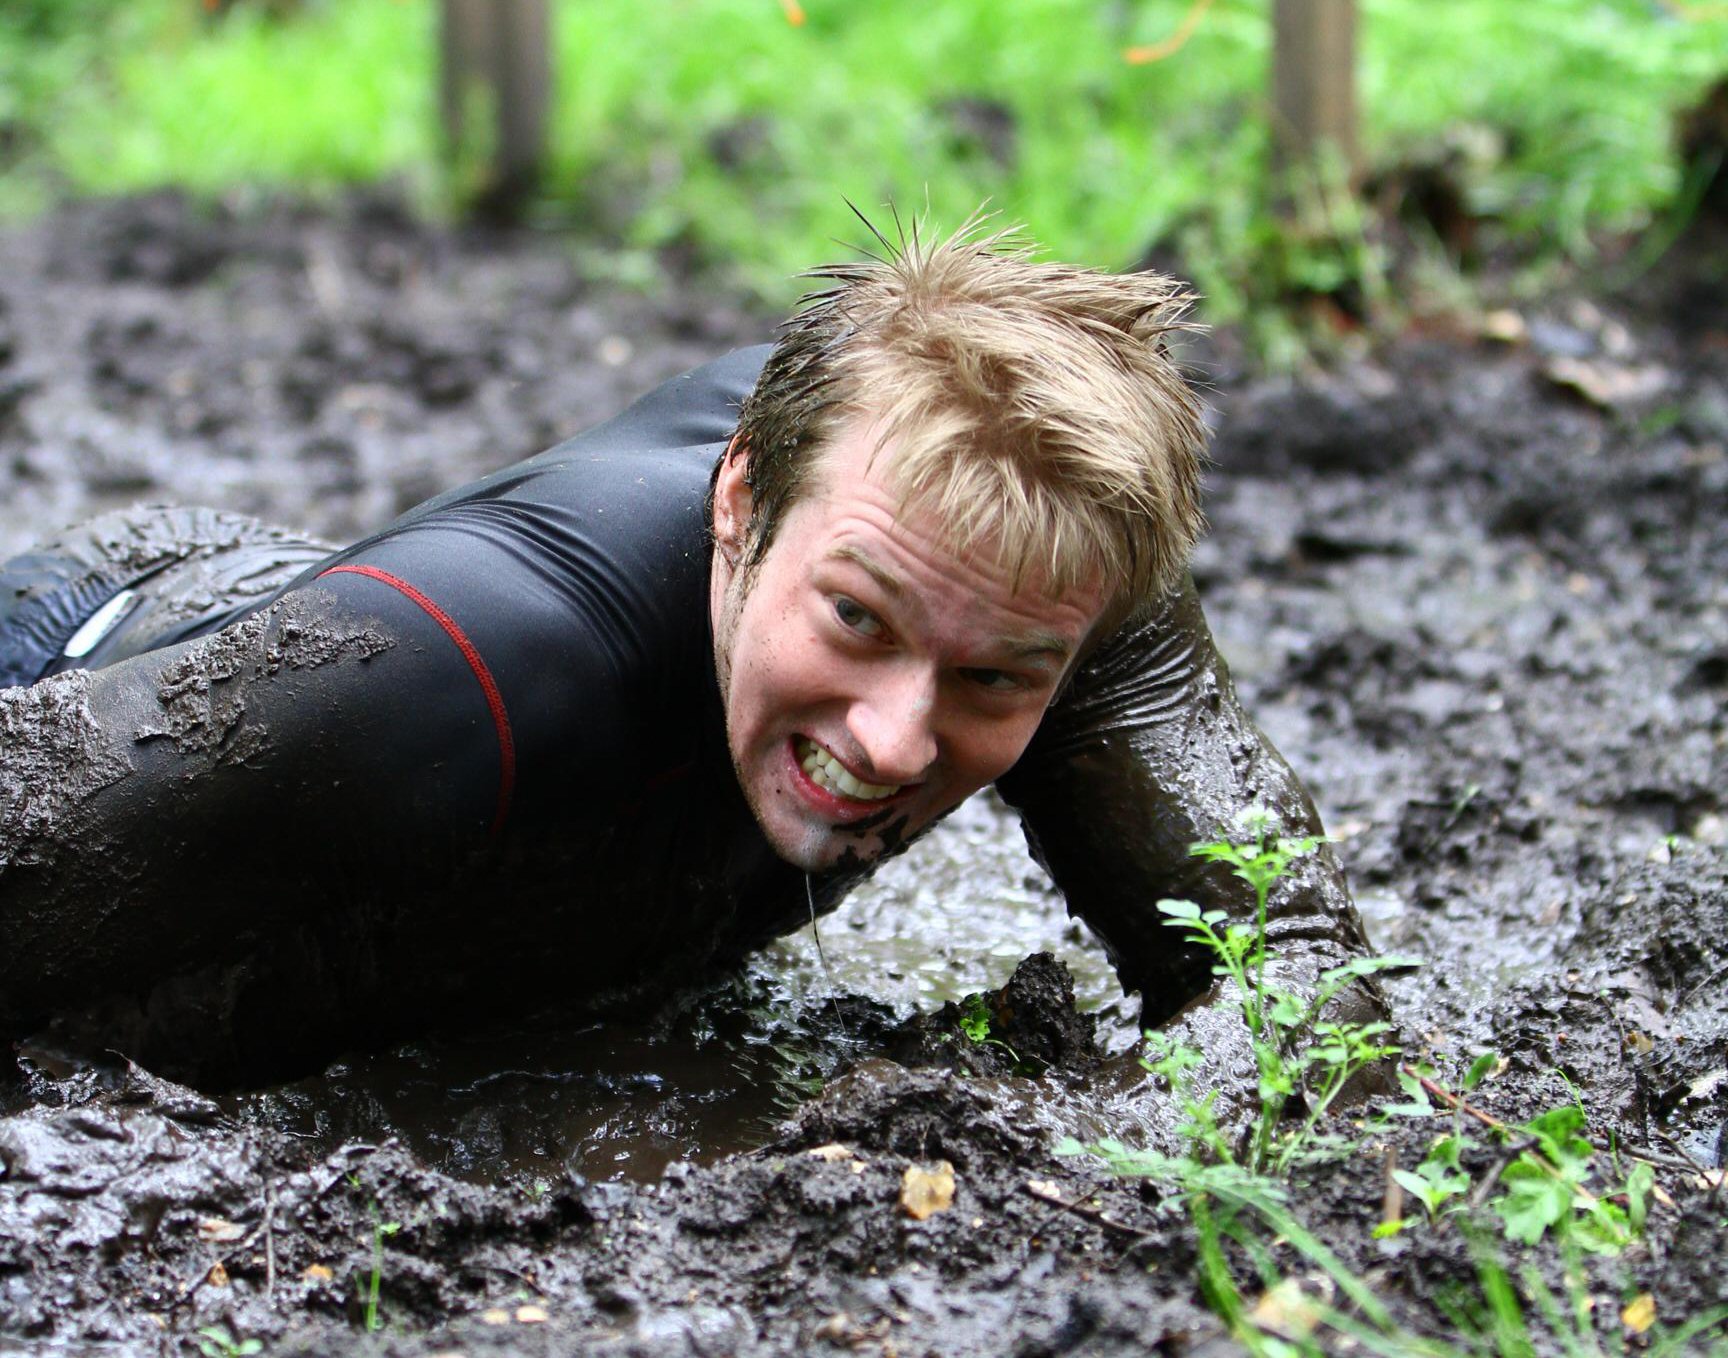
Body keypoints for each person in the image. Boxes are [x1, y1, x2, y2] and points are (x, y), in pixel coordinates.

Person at [0, 222, 1381, 1086]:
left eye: (993, 678)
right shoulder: (441, 685)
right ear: (739, 508)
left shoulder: (1041, 564)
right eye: (858, 620)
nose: (900, 739)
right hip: (114, 667)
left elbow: (1296, 996)